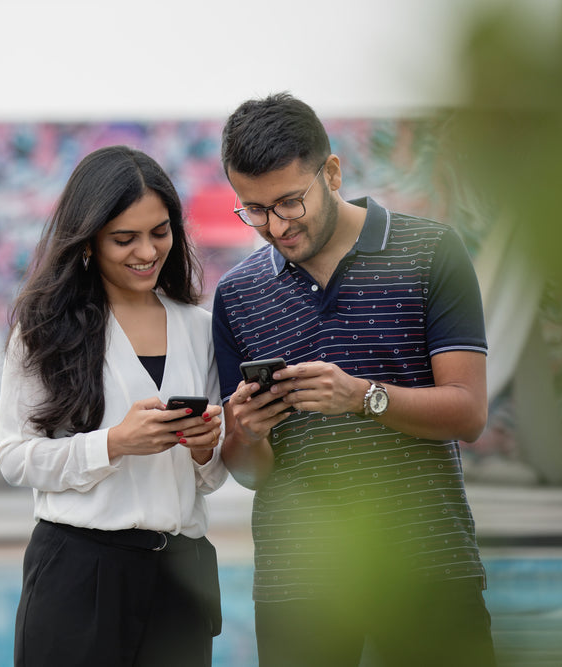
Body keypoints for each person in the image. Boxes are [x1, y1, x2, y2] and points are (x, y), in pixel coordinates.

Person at [212, 93, 497, 667]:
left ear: (333, 172)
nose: (275, 225)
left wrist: (363, 397)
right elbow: (248, 474)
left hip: (425, 566)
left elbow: (468, 413)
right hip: (298, 581)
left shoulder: (431, 253)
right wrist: (246, 432)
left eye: (290, 202)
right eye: (255, 209)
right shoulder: (237, 296)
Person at [0, 145, 229, 667]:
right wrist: (114, 443)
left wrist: (204, 449)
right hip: (80, 572)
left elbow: (211, 479)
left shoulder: (198, 328)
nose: (147, 252)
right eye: (124, 239)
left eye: (160, 232)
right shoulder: (42, 332)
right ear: (88, 242)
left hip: (181, 578)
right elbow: (14, 457)